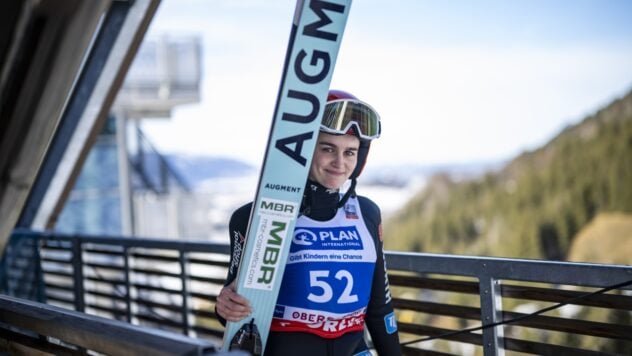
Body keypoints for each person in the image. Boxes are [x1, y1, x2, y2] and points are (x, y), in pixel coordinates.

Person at [215, 90, 401, 356]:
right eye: (327, 149)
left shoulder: (367, 214)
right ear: (303, 151)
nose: (340, 163)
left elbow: (380, 308)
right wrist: (225, 305)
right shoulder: (256, 217)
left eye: (350, 152)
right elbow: (233, 313)